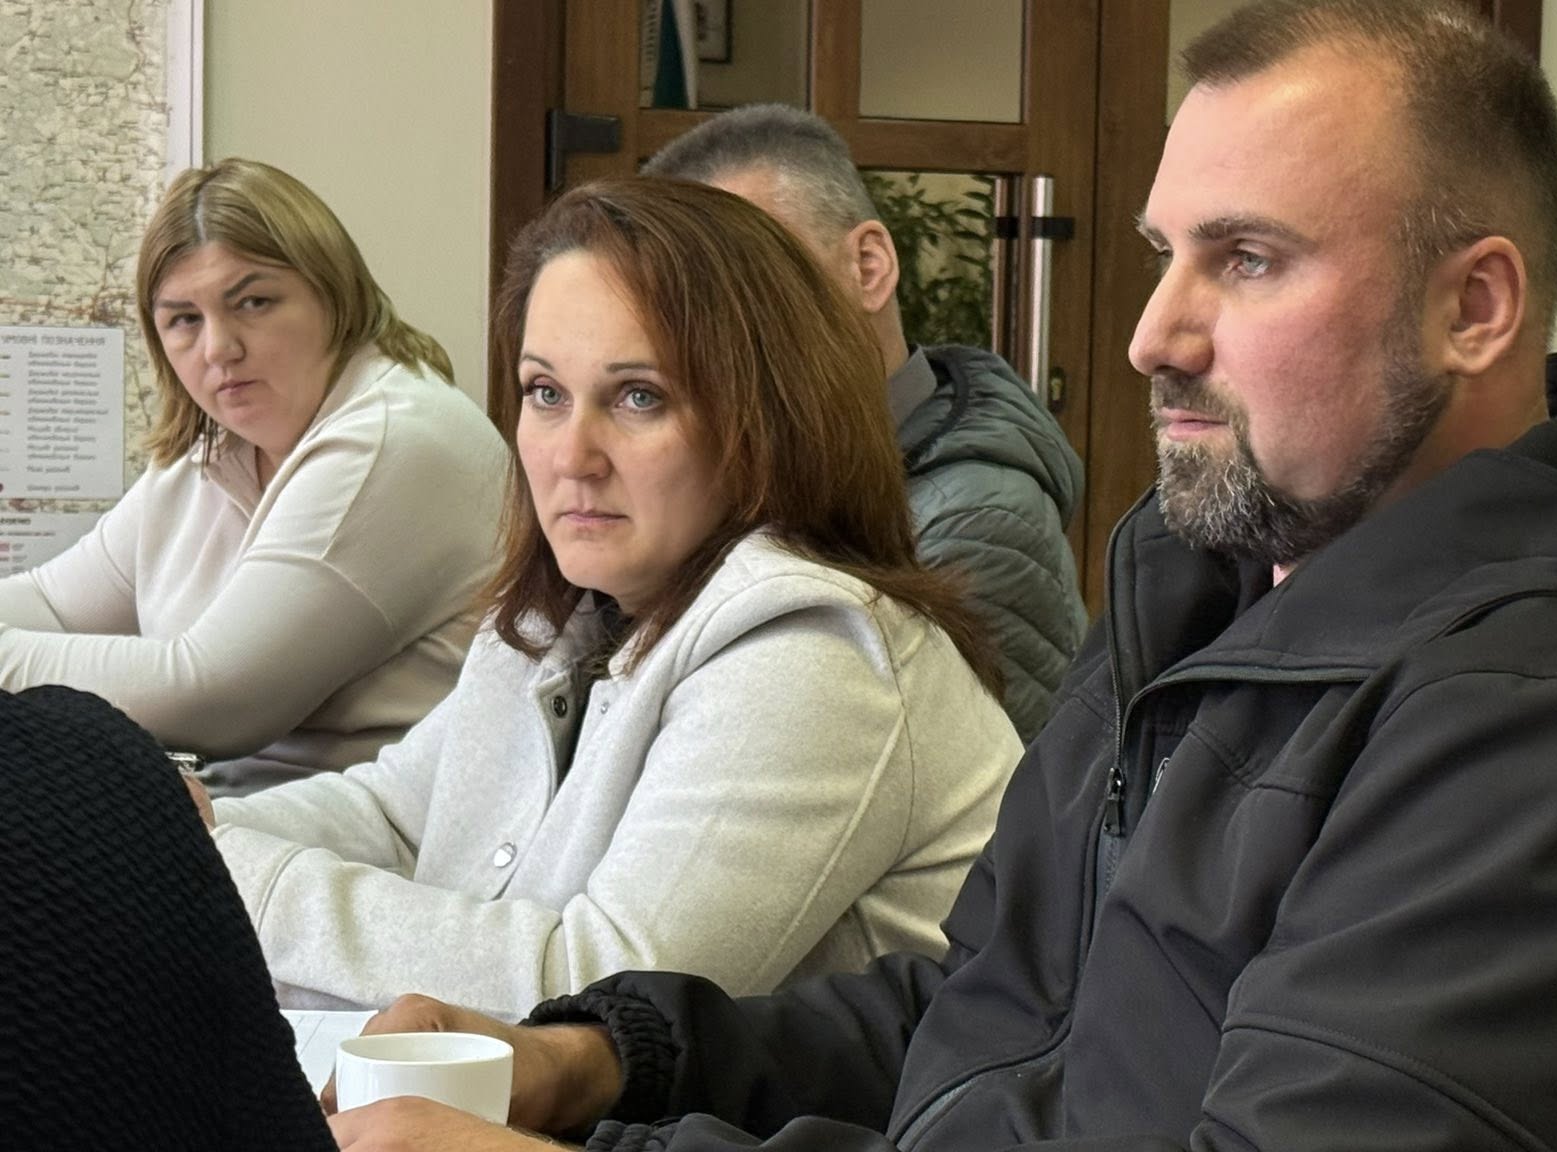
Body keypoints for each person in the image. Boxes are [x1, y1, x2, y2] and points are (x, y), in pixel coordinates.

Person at [335, 2, 1557, 1148]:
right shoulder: (1208, 611)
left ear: (1475, 307)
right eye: (1162, 252)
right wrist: (604, 1059)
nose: (1152, 333)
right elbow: (989, 1019)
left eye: (1246, 259)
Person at [197, 177, 1023, 1022]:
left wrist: (223, 871)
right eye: (545, 393)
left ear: (769, 419)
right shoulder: (569, 611)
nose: (572, 456)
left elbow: (599, 992)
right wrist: (183, 833)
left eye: (639, 397)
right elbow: (400, 815)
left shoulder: (815, 653)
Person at [0, 158, 505, 794]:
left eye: (254, 303)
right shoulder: (212, 449)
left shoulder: (394, 436)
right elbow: (55, 604)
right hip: (233, 812)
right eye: (184, 319)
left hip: (359, 836)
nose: (219, 348)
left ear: (335, 294)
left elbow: (213, 698)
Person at [644, 106, 1087, 742]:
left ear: (869, 266)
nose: (724, 328)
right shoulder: (750, 471)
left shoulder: (972, 525)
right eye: (690, 303)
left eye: (758, 280)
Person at [0, 685, 333, 1151]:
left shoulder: (87, 765)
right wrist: (173, 834)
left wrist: (175, 841)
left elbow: (204, 683)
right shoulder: (86, 763)